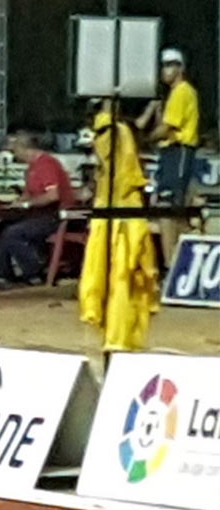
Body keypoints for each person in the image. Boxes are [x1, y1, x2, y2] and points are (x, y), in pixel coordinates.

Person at [78, 101, 159, 364]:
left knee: (120, 285)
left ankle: (118, 344)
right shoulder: (116, 131)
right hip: (114, 214)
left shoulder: (110, 129)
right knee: (115, 286)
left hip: (120, 217)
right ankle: (116, 343)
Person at [136, 47, 200, 260]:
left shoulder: (182, 91)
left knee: (170, 208)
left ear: (180, 68)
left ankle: (174, 259)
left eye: (170, 65)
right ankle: (173, 258)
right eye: (164, 66)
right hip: (170, 152)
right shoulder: (174, 94)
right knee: (168, 208)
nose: (165, 70)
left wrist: (142, 140)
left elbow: (166, 128)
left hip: (178, 151)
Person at [0, 132, 75, 289]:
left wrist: (26, 205)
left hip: (56, 216)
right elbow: (29, 194)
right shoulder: (32, 168)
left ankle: (35, 271)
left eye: (14, 150)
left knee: (14, 233)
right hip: (40, 214)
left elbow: (52, 196)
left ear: (24, 149)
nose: (14, 155)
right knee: (0, 227)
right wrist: (18, 202)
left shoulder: (47, 164)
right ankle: (1, 275)